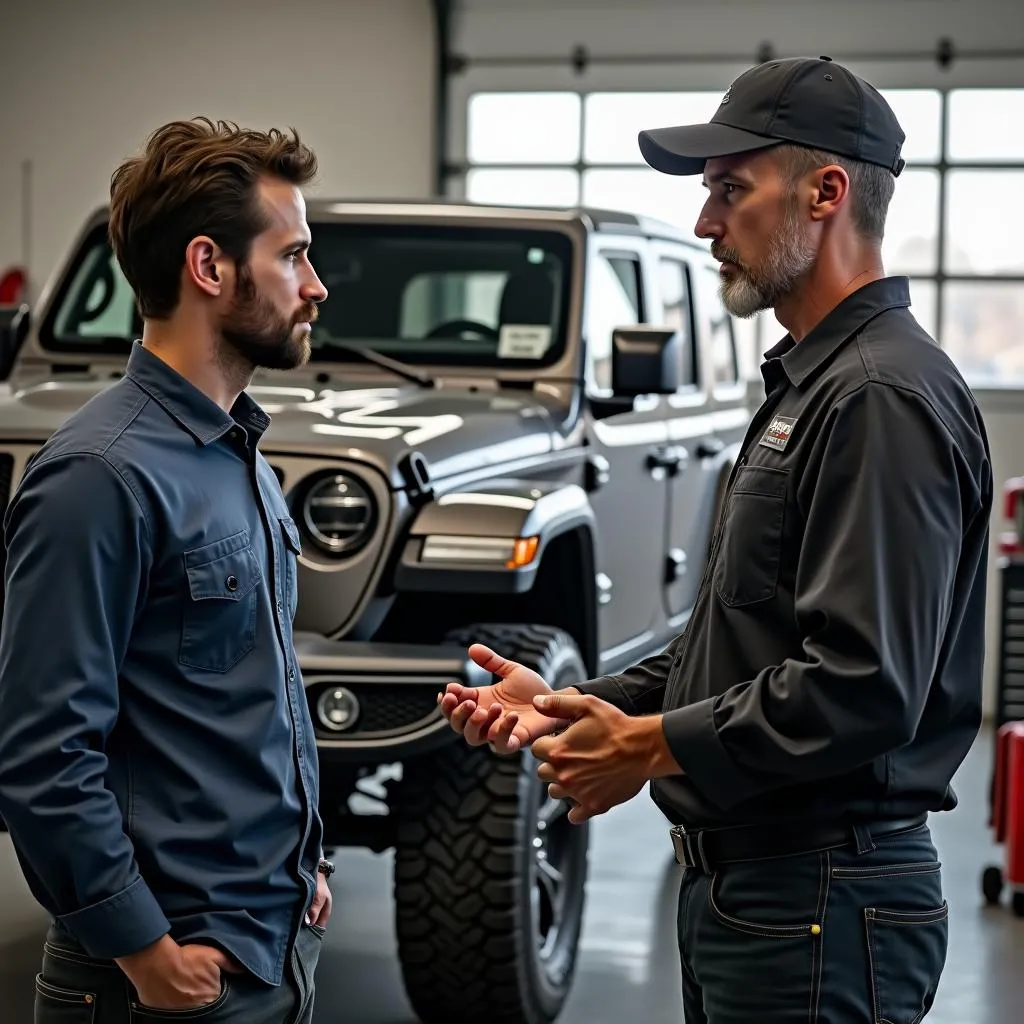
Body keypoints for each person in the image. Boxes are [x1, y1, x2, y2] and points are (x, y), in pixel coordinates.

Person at [439, 56, 993, 1023]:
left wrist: (645, 745)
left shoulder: (878, 398)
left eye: (730, 190)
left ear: (826, 192)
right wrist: (589, 706)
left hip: (820, 898)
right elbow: (743, 638)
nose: (704, 224)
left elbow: (865, 684)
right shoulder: (813, 386)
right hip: (762, 900)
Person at [0, 118, 333, 1023]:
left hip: (268, 941)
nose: (317, 286)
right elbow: (43, 754)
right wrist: (145, 951)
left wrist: (305, 864)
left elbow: (247, 696)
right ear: (209, 268)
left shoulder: (243, 458)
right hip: (162, 982)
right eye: (294, 255)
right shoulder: (97, 476)